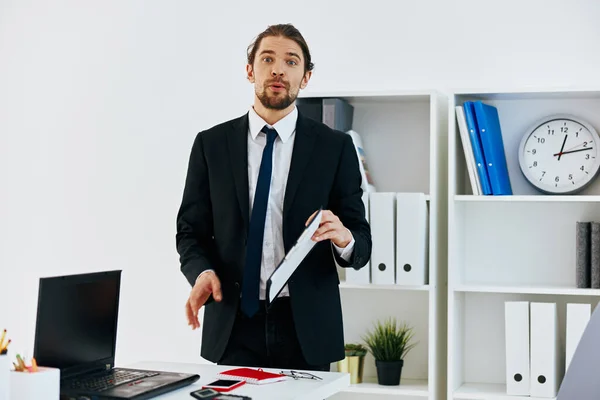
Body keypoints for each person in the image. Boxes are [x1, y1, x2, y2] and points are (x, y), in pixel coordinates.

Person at [176, 23, 371, 372]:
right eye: (267, 59)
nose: (278, 69)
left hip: (305, 325)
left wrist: (344, 238)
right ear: (251, 70)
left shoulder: (335, 148)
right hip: (233, 323)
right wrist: (201, 271)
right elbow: (190, 231)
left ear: (306, 77)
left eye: (291, 61)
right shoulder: (211, 145)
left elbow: (361, 241)